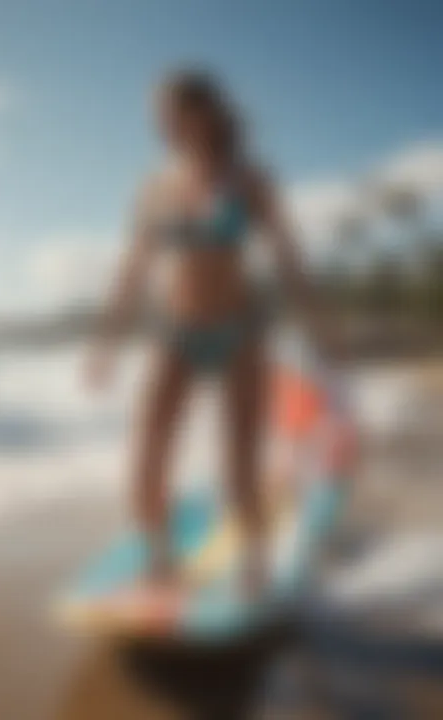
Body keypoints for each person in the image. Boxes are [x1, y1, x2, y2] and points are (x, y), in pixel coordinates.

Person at [85, 69, 338, 598]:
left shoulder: (250, 180)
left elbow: (290, 261)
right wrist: (105, 344)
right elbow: (131, 271)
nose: (159, 124)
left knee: (238, 465)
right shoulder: (154, 187)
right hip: (173, 331)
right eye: (157, 116)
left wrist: (320, 331)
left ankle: (255, 560)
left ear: (203, 112)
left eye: (168, 112)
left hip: (240, 333)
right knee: (147, 452)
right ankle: (159, 557)